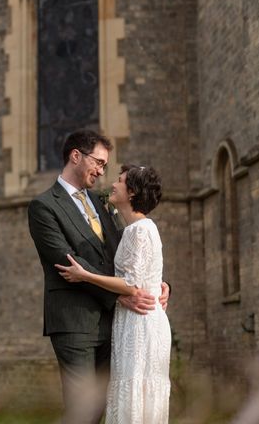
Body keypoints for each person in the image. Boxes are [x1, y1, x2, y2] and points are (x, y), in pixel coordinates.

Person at [27, 129, 169, 424]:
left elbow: (130, 254)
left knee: (107, 408)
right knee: (82, 410)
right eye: (99, 162)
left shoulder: (104, 202)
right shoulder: (44, 206)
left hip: (115, 324)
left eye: (105, 166)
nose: (103, 171)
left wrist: (158, 284)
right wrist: (121, 293)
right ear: (75, 156)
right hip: (74, 322)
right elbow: (65, 260)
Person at [56, 165, 171, 423]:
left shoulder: (139, 230)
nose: (113, 184)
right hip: (134, 321)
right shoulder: (137, 228)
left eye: (119, 181)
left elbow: (130, 284)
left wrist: (85, 275)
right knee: (134, 397)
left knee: (135, 396)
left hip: (140, 325)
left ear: (131, 192)